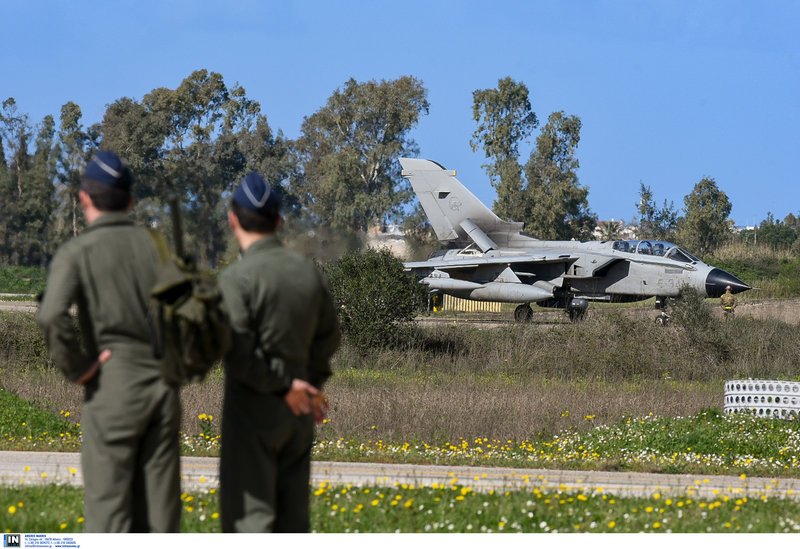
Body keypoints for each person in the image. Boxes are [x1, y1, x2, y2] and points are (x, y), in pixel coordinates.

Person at [36, 151, 181, 532]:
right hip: (162, 385)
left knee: (109, 513)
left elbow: (51, 314)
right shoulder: (157, 247)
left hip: (112, 381)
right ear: (131, 201)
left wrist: (80, 367)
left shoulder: (77, 252)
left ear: (83, 197)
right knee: (160, 514)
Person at [218, 172, 341, 533]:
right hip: (299, 413)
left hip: (252, 413)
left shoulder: (235, 279)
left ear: (233, 219)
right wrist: (308, 384)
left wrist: (283, 386)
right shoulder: (308, 274)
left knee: (250, 523)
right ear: (279, 221)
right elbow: (329, 335)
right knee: (293, 522)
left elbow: (237, 350)